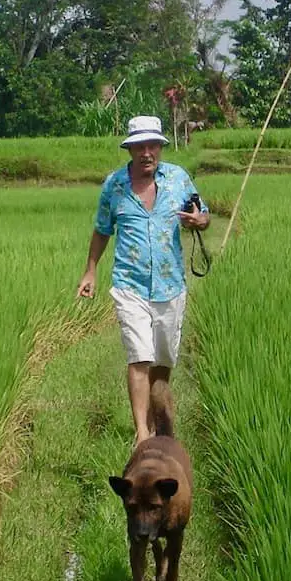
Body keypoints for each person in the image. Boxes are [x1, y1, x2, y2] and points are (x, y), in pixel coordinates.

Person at [76, 115, 210, 445]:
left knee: (162, 361)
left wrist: (198, 221)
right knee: (139, 356)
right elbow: (102, 230)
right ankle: (142, 434)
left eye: (152, 146)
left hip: (170, 285)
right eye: (140, 146)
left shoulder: (179, 179)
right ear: (131, 149)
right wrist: (91, 270)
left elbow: (203, 216)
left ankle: (156, 416)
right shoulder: (114, 186)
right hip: (129, 284)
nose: (146, 152)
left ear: (160, 148)